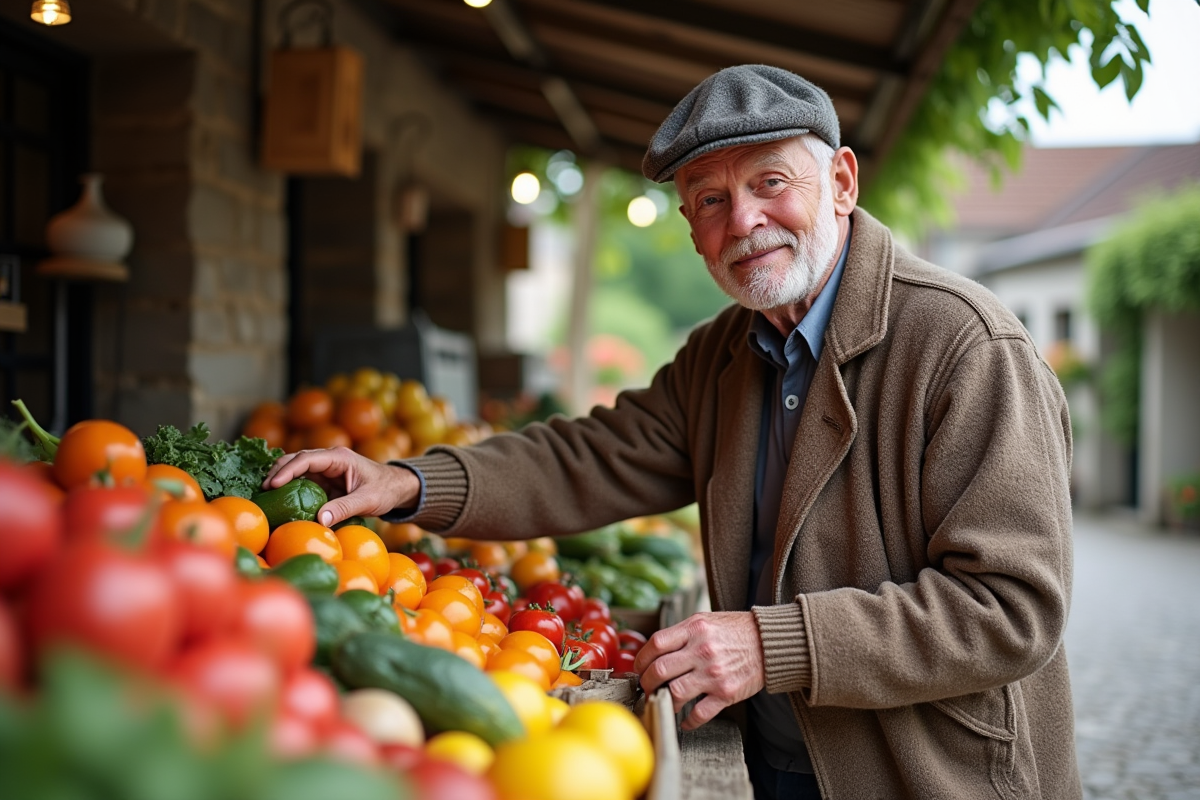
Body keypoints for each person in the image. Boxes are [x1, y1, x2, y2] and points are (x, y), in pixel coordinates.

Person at [266, 64, 1080, 800]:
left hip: (924, 773)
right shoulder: (723, 353)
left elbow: (1011, 609)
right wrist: (410, 481)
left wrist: (773, 644)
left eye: (771, 182)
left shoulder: (967, 345)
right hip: (776, 758)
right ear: (691, 228)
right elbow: (589, 457)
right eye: (712, 200)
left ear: (840, 182)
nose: (746, 221)